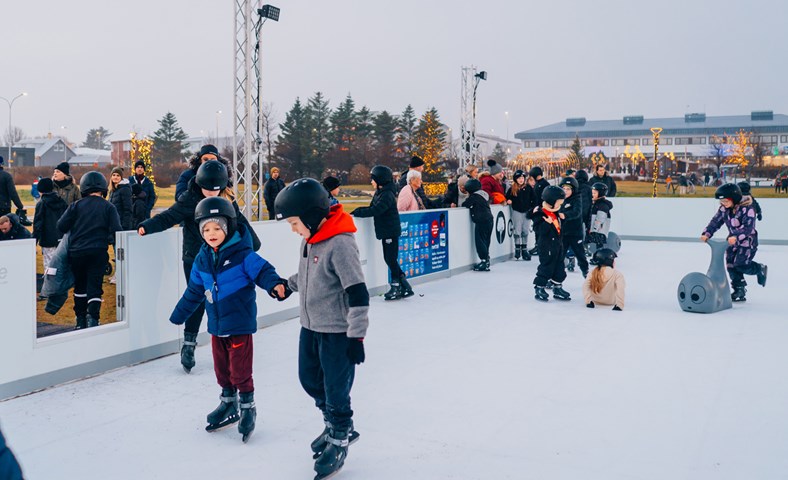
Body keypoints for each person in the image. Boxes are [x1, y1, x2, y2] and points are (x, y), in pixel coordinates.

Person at [170, 196, 289, 443]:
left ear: (228, 227)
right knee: (222, 369)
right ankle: (228, 402)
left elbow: (264, 271)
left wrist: (276, 284)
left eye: (217, 228)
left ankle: (247, 407)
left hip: (240, 324)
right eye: (206, 229)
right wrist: (179, 314)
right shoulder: (202, 258)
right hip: (216, 325)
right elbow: (194, 291)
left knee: (240, 370)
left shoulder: (243, 254)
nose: (211, 233)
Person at [274, 178, 369, 479]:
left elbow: (358, 293)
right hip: (310, 326)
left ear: (312, 216)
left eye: (294, 223)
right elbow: (308, 274)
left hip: (338, 332)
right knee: (309, 380)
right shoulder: (311, 238)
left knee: (336, 389)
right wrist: (287, 287)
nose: (293, 230)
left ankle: (340, 435)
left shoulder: (340, 242)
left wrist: (356, 336)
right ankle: (333, 422)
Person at [139, 160, 261, 373]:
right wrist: (146, 227)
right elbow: (169, 216)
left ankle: (229, 347)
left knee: (222, 302)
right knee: (199, 300)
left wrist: (253, 243)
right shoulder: (189, 200)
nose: (212, 193)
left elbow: (241, 223)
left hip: (221, 262)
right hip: (195, 260)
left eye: (216, 189)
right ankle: (189, 344)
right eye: (208, 189)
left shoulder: (226, 201)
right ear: (199, 183)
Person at [57, 171, 122, 329]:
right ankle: (93, 319)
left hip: (77, 252)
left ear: (84, 187)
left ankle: (80, 321)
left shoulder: (76, 206)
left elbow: (61, 226)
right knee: (94, 286)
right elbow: (117, 230)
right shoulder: (109, 207)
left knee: (80, 286)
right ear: (103, 188)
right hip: (98, 252)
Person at [352, 165, 412, 300]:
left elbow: (377, 210)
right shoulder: (381, 192)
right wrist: (356, 211)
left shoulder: (387, 194)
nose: (371, 182)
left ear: (380, 179)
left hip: (390, 231)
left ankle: (396, 286)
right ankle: (404, 285)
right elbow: (371, 207)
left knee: (390, 259)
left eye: (373, 179)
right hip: (387, 230)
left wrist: (358, 213)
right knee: (390, 259)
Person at [701, 183, 767, 302]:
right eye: (721, 202)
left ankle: (759, 269)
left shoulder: (748, 208)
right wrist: (707, 233)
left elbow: (748, 228)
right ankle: (739, 290)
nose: (723, 204)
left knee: (741, 265)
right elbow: (716, 221)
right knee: (731, 265)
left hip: (748, 242)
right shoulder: (724, 208)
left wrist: (736, 236)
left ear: (734, 199)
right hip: (732, 241)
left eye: (726, 201)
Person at [531, 186, 571, 302]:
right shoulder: (540, 213)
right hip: (546, 247)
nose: (560, 204)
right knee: (546, 267)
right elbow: (539, 230)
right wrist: (547, 223)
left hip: (558, 246)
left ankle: (557, 287)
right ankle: (539, 287)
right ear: (551, 201)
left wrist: (563, 219)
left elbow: (559, 228)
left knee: (560, 268)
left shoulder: (556, 212)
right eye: (559, 202)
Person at [32, 178, 68, 272]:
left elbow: (38, 224)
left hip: (47, 239)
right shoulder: (62, 201)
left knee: (49, 264)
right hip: (61, 238)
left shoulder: (42, 204)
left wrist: (33, 241)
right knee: (61, 263)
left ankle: (50, 284)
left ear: (40, 190)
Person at [559, 176, 589, 277]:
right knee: (560, 256)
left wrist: (565, 215)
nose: (566, 191)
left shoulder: (577, 198)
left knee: (580, 254)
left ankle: (586, 272)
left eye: (568, 189)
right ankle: (555, 278)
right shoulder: (560, 199)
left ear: (573, 190)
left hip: (575, 233)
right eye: (564, 189)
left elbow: (577, 212)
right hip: (564, 232)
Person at [462, 179, 493, 272]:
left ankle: (484, 261)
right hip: (489, 219)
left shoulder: (475, 197)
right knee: (486, 240)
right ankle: (486, 260)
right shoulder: (483, 195)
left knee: (480, 241)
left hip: (481, 221)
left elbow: (465, 204)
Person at [506, 170, 536, 261]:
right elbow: (507, 197)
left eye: (522, 178)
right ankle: (517, 249)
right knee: (517, 230)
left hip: (526, 211)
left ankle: (524, 249)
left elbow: (534, 198)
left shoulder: (528, 188)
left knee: (525, 230)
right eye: (519, 178)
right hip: (517, 211)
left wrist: (532, 208)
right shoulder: (512, 189)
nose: (521, 180)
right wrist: (508, 200)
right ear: (516, 179)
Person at [587, 182, 613, 256]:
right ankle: (596, 256)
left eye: (594, 193)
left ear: (601, 193)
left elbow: (600, 218)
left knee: (599, 245)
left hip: (600, 230)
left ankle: (600, 257)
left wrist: (594, 229)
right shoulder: (595, 203)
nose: (592, 195)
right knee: (596, 244)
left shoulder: (602, 205)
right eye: (592, 193)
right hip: (596, 229)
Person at [575, 169, 593, 234]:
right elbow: (591, 201)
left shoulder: (574, 187)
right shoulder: (588, 188)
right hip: (585, 213)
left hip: (575, 213)